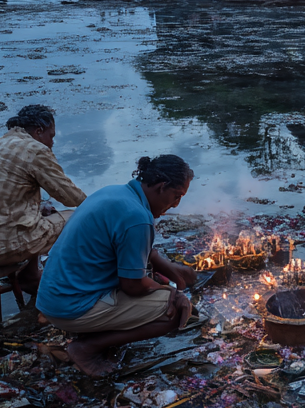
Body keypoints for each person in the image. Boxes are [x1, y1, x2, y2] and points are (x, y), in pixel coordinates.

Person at [35, 155, 198, 376]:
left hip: (52, 297)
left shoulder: (115, 193)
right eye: (177, 196)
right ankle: (86, 348)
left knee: (154, 282)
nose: (176, 205)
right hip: (70, 308)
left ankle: (93, 333)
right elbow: (133, 285)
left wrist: (167, 267)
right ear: (161, 187)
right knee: (176, 310)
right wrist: (171, 293)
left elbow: (128, 244)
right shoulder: (138, 217)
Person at [0, 104, 87, 294]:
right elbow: (71, 197)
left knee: (37, 217)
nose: (52, 143)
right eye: (51, 136)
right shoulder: (34, 149)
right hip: (0, 251)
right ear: (39, 131)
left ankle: (30, 276)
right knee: (79, 217)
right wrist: (103, 207)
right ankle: (61, 283)